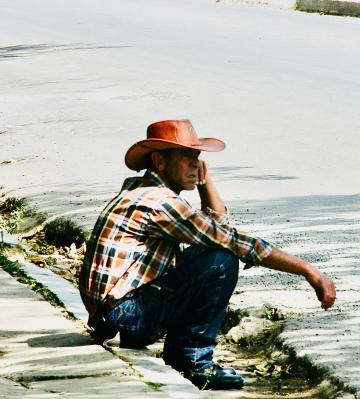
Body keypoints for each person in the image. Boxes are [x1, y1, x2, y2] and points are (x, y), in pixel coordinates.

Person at [78, 119, 336, 390]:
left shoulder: (140, 189)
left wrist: (203, 180)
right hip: (128, 315)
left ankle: (182, 354)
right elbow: (233, 241)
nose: (195, 164)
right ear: (160, 161)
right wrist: (308, 270)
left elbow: (216, 228)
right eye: (187, 157)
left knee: (214, 251)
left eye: (197, 157)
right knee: (221, 262)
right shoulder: (160, 202)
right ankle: (193, 361)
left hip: (115, 315)